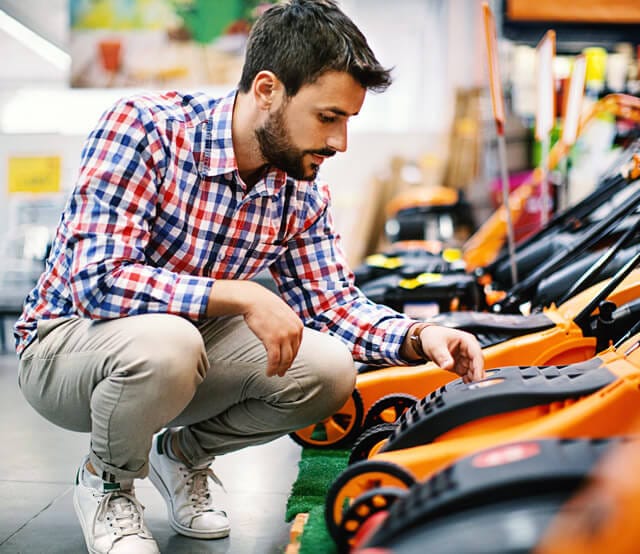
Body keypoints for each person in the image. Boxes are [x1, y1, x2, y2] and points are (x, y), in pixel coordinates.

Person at [14, 1, 484, 552]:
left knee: (329, 370)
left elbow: (332, 303)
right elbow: (95, 281)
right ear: (267, 90)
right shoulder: (145, 129)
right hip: (64, 349)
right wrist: (236, 295)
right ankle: (108, 483)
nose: (340, 143)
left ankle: (182, 456)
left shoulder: (299, 189)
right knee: (170, 341)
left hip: (183, 351)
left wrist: (418, 336)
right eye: (328, 117)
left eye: (349, 121)